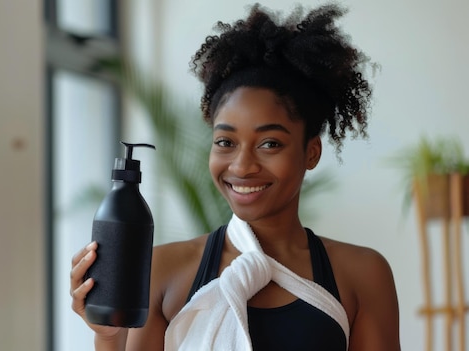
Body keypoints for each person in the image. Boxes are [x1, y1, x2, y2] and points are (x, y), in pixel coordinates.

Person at [70, 3, 401, 350]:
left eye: (270, 143)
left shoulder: (362, 274)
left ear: (311, 152)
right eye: (225, 142)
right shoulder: (163, 270)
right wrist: (107, 337)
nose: (242, 166)